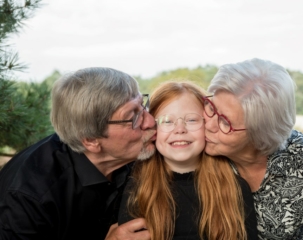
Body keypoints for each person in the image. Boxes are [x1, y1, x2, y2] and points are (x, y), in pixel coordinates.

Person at [203, 58, 303, 239]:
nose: (208, 124)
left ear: (259, 134)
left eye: (225, 122)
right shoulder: (196, 149)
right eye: (211, 107)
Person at [0, 67, 156, 240]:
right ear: (91, 140)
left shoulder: (129, 155)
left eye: (142, 105)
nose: (150, 121)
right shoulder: (29, 197)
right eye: (133, 117)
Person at [118, 81, 258, 240]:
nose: (179, 129)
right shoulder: (136, 186)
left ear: (208, 124)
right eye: (166, 121)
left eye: (192, 120)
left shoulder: (235, 187)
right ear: (152, 128)